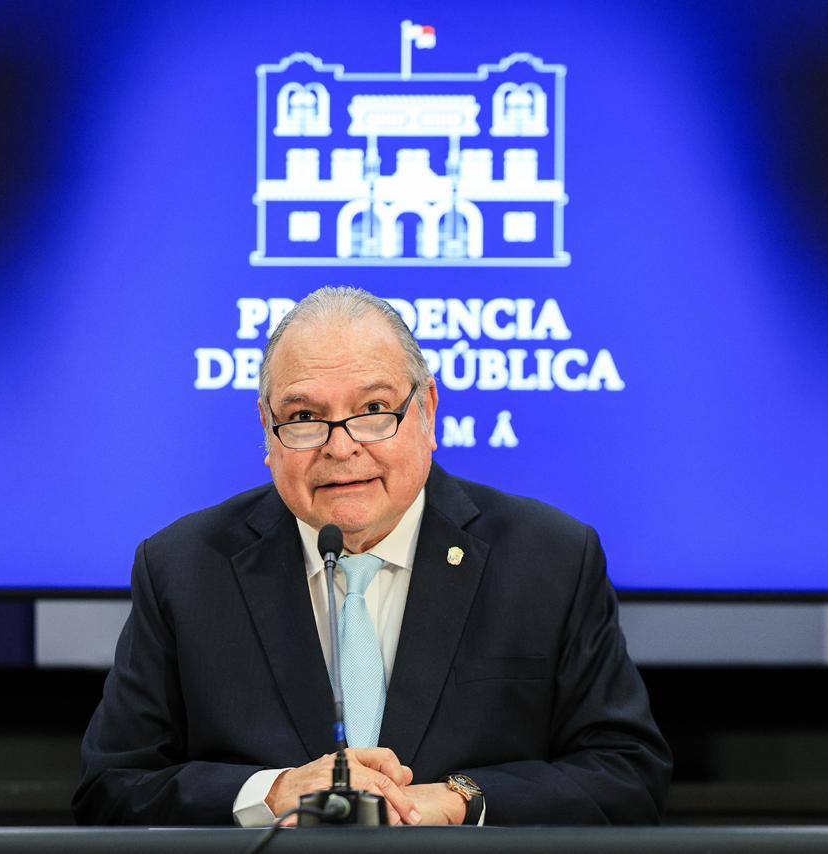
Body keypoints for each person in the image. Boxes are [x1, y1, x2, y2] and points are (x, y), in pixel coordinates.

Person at [72, 286, 672, 827]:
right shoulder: (184, 569)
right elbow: (111, 787)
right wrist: (272, 791)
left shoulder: (550, 560)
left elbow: (627, 775)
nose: (341, 447)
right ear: (266, 429)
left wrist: (464, 798)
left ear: (428, 411)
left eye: (373, 410)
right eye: (304, 418)